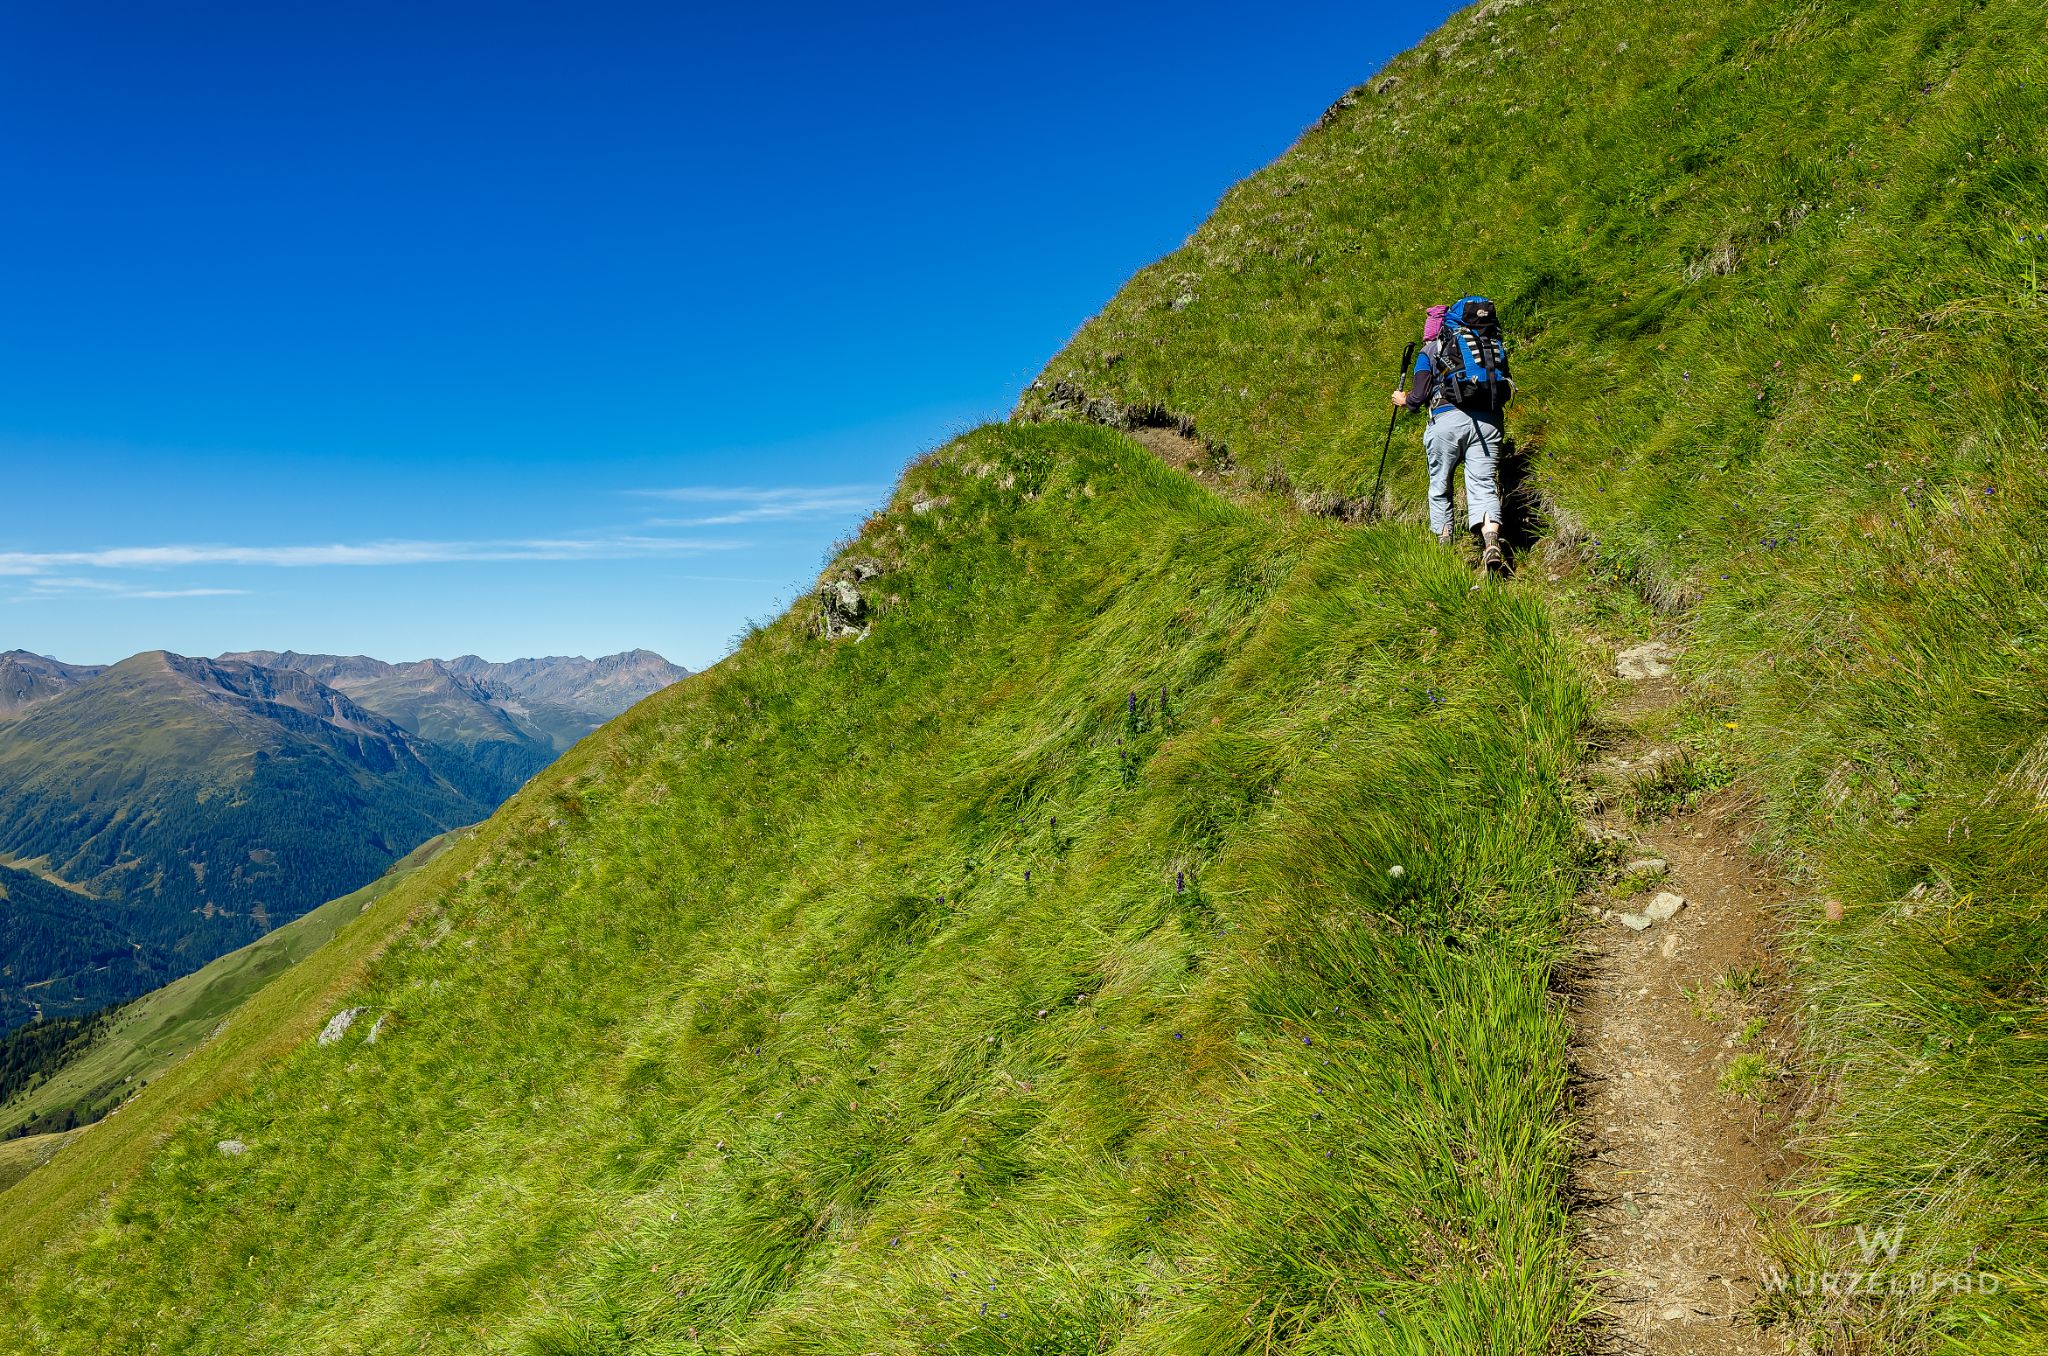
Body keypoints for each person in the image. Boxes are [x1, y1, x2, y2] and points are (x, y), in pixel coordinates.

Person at [1390, 299, 1508, 570]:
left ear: (1433, 328)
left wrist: (1402, 399)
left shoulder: (1430, 349)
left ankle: (1444, 552)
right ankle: (1491, 541)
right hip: (1489, 419)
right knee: (1484, 483)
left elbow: (1418, 397)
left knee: (1440, 486)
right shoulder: (1486, 343)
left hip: (1447, 421)